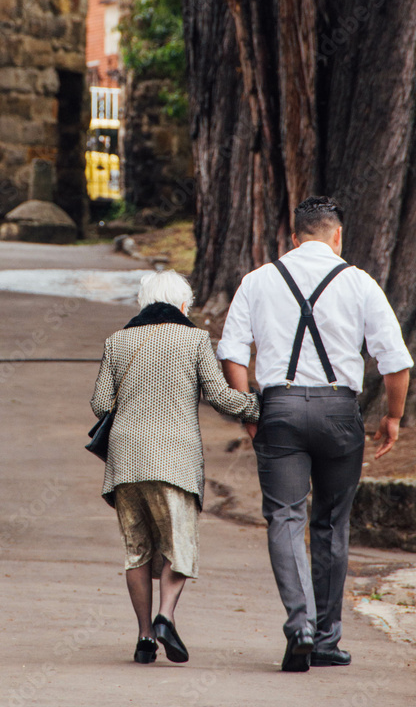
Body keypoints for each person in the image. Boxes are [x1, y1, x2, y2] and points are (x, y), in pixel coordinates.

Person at [217, 196, 412, 672]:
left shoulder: (259, 280)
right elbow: (395, 361)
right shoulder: (360, 283)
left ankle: (299, 623)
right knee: (330, 523)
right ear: (337, 235)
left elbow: (232, 353)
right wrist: (392, 417)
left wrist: (249, 412)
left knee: (285, 517)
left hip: (279, 407)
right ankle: (326, 639)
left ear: (294, 233)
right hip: (339, 413)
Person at [90, 269, 260, 665]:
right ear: (184, 305)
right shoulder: (195, 339)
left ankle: (145, 638)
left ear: (143, 303)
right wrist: (255, 407)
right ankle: (166, 617)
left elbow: (100, 404)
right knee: (178, 545)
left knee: (137, 551)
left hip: (126, 461)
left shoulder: (118, 342)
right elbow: (219, 396)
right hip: (175, 461)